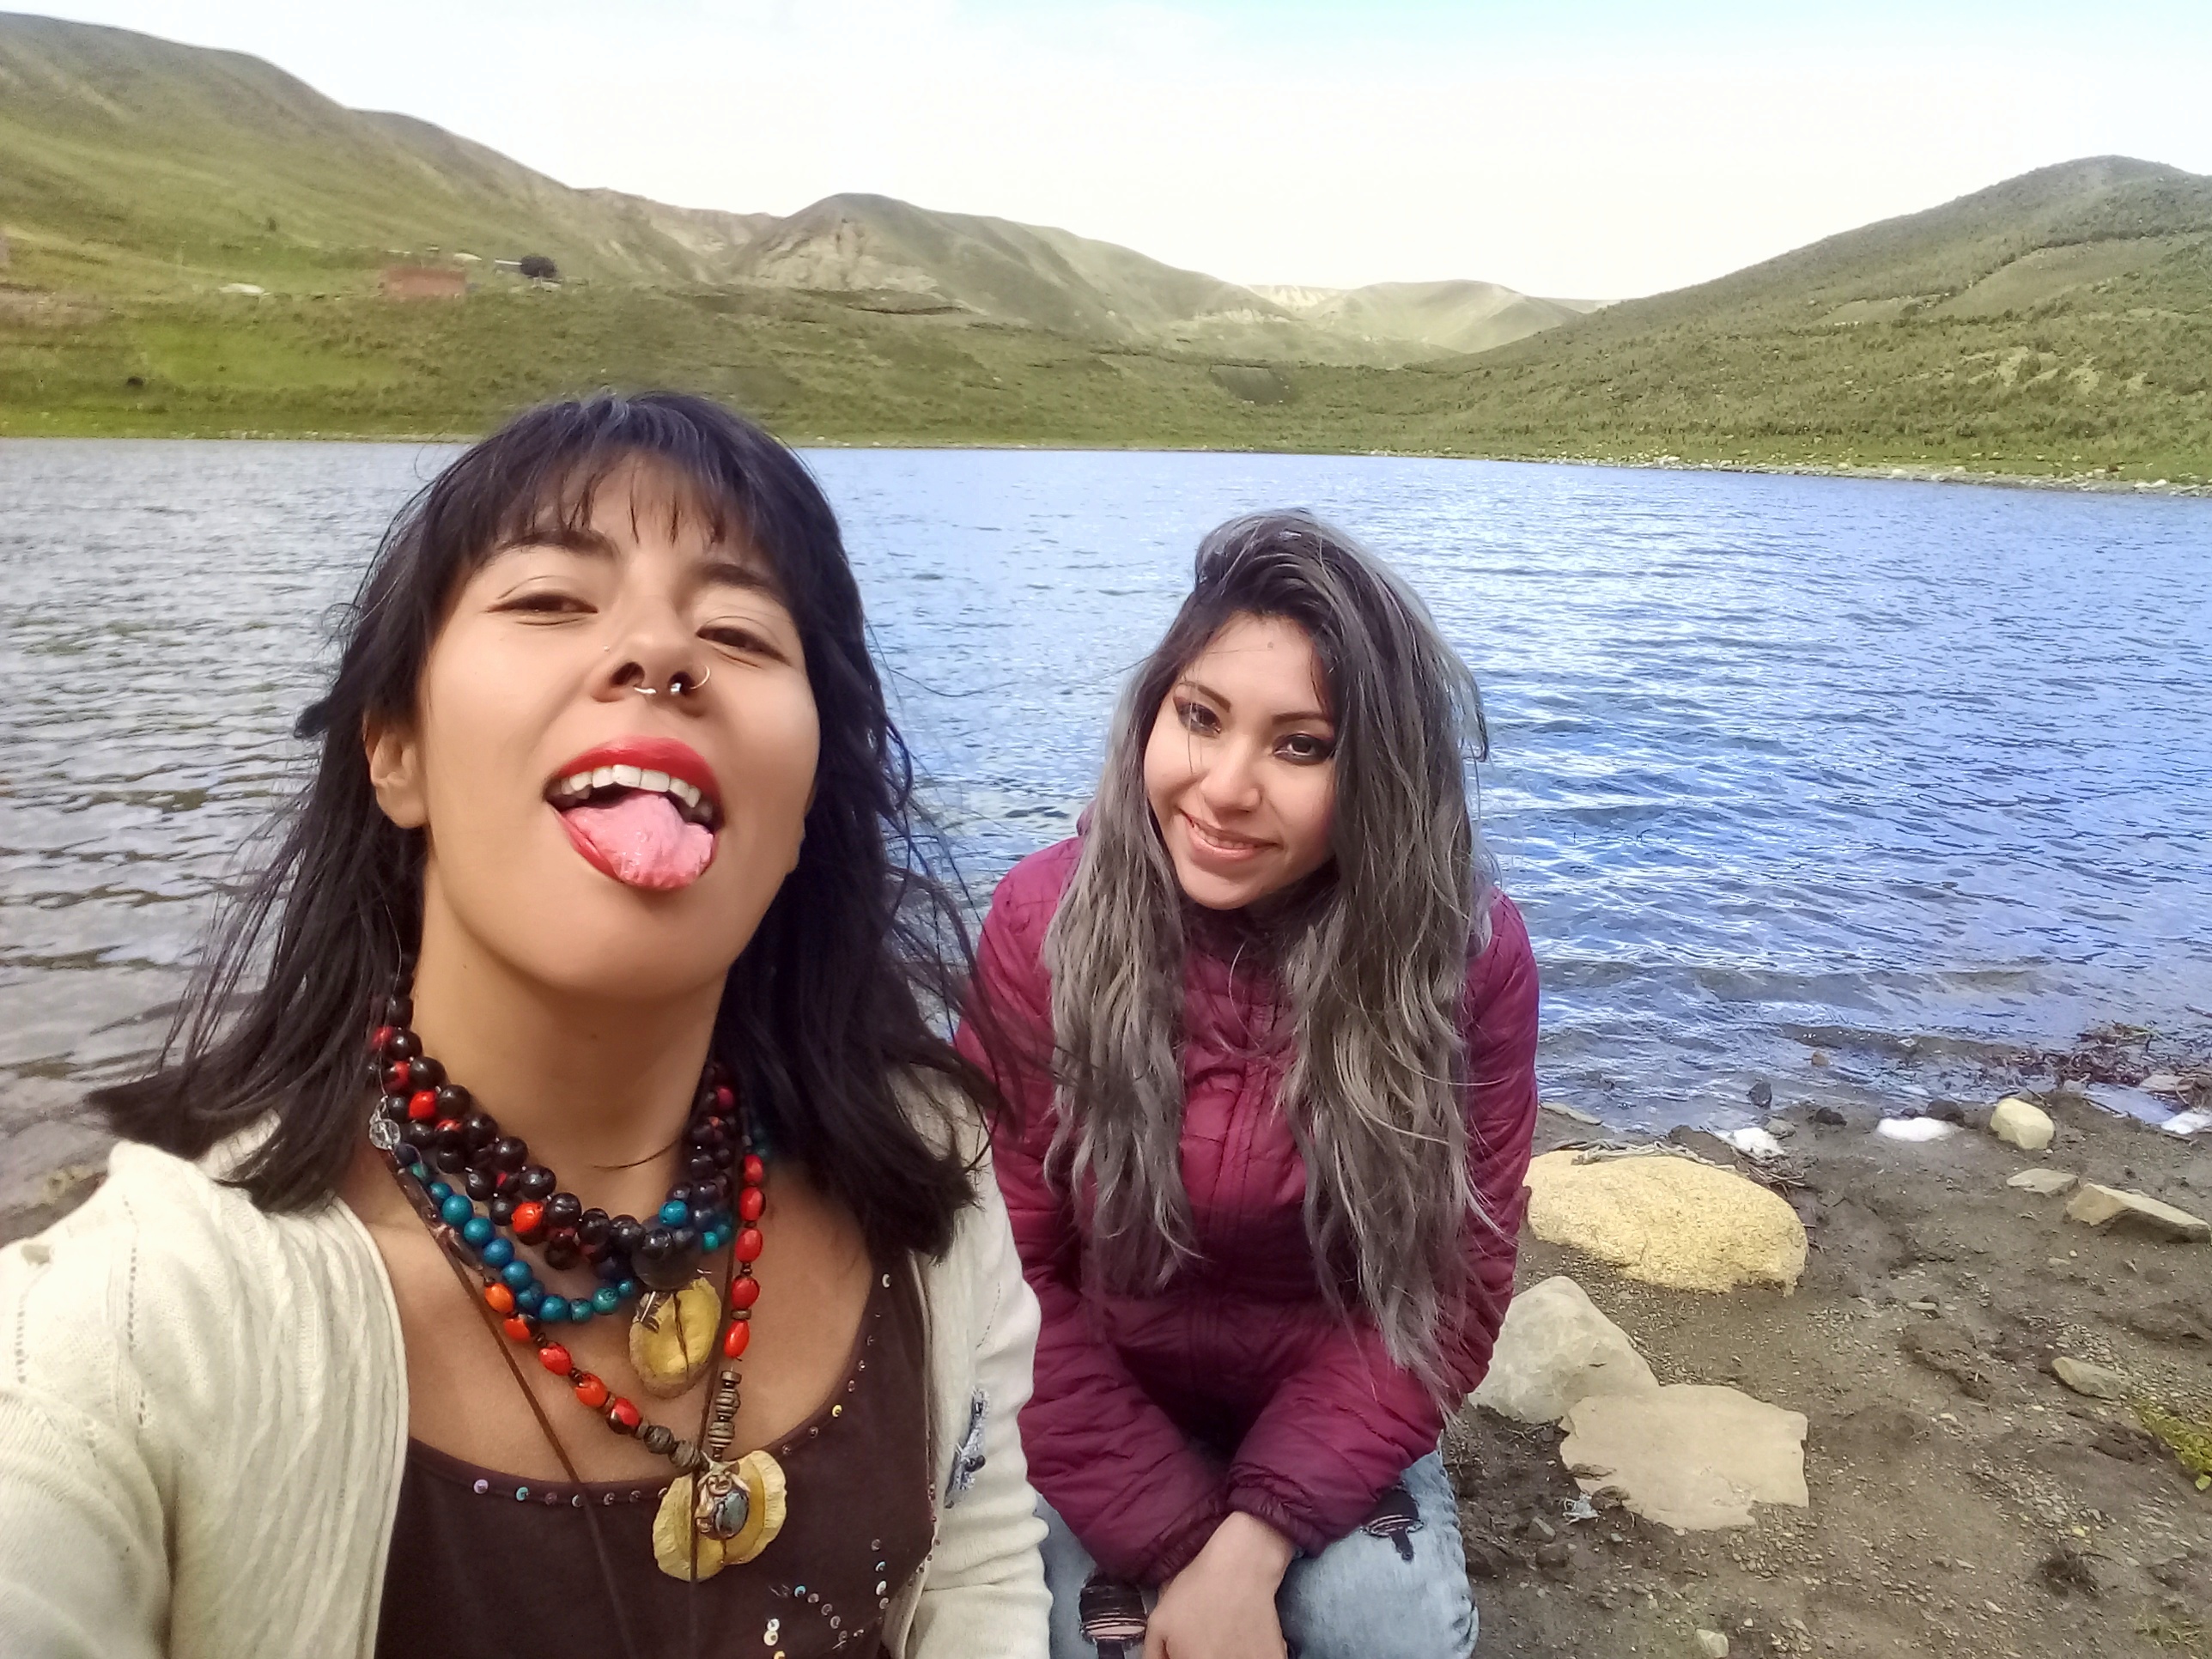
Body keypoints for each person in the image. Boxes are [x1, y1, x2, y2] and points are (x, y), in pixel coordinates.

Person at [0, 393, 1048, 1658]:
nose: (661, 653)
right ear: (396, 752)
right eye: (551, 600)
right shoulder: (127, 1332)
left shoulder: (932, 1181)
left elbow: (980, 1568)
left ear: (806, 807)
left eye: (737, 630)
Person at [957, 512, 1540, 1659]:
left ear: (1380, 775)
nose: (1224, 788)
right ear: (1153, 710)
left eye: (1301, 746)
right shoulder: (1042, 920)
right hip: (1085, 1397)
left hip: (1333, 1405)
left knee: (1383, 1635)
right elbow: (1000, 1268)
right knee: (1080, 1642)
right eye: (1200, 717)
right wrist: (1180, 1547)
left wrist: (1254, 1544)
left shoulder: (1462, 957)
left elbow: (1450, 1290)